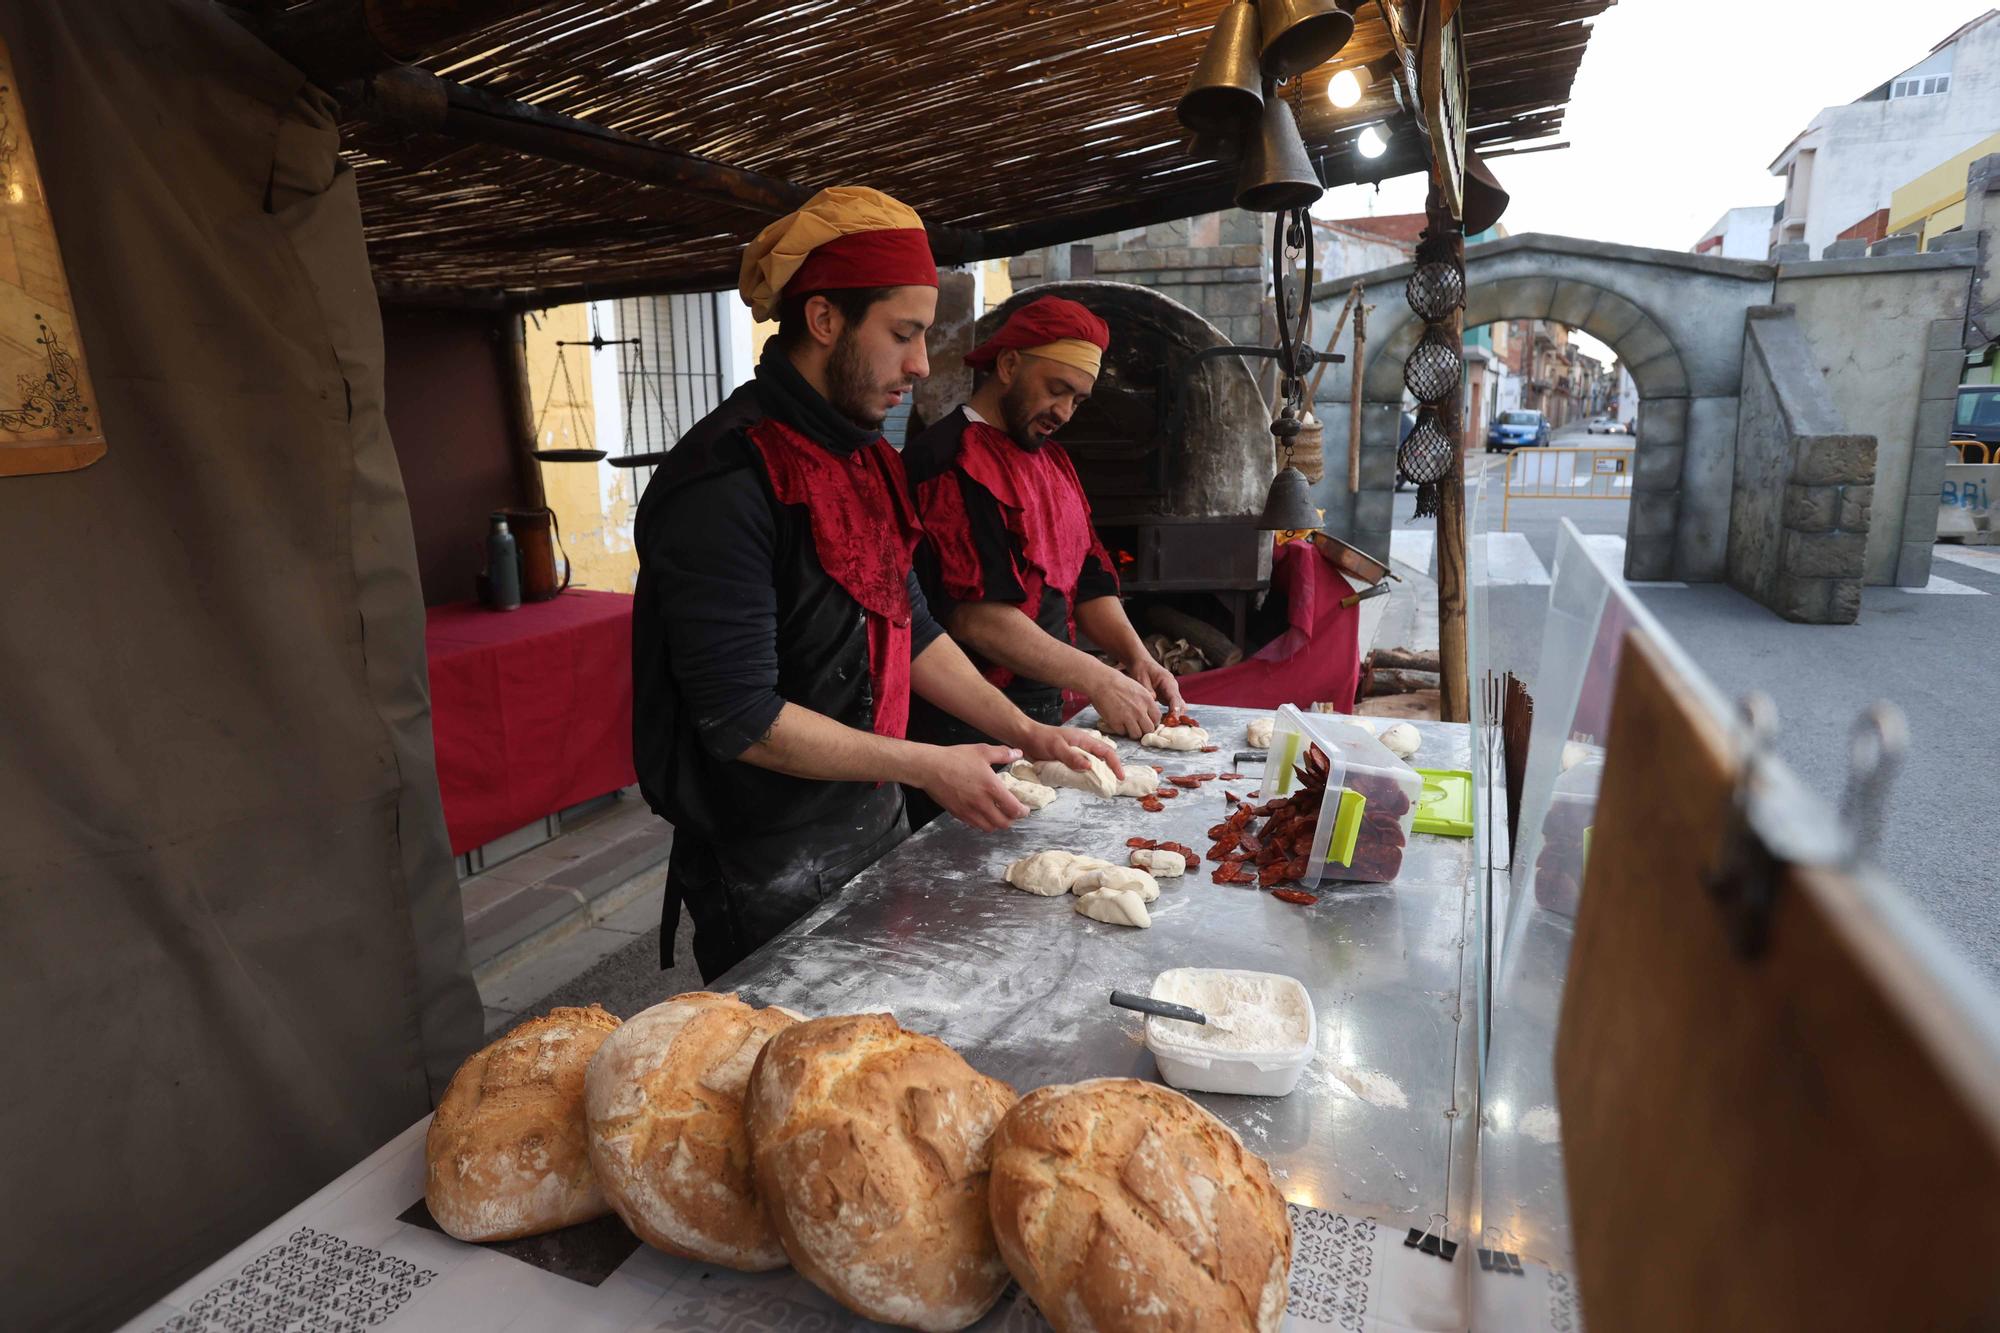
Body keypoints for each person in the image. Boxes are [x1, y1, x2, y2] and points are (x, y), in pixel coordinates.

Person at [632, 188, 1119, 982]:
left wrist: (1028, 735)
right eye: (904, 333)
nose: (923, 364)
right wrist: (926, 763)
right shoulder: (726, 479)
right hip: (768, 856)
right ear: (824, 320)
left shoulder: (864, 460)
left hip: (872, 816)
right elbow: (742, 718)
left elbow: (914, 628)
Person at [904, 295, 1185, 779]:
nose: (1065, 412)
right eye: (1057, 389)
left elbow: (1089, 580)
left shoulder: (1051, 461)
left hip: (1044, 714)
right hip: (962, 728)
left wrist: (1137, 658)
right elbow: (978, 619)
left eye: (1077, 399)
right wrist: (1098, 678)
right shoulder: (951, 460)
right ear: (1009, 364)